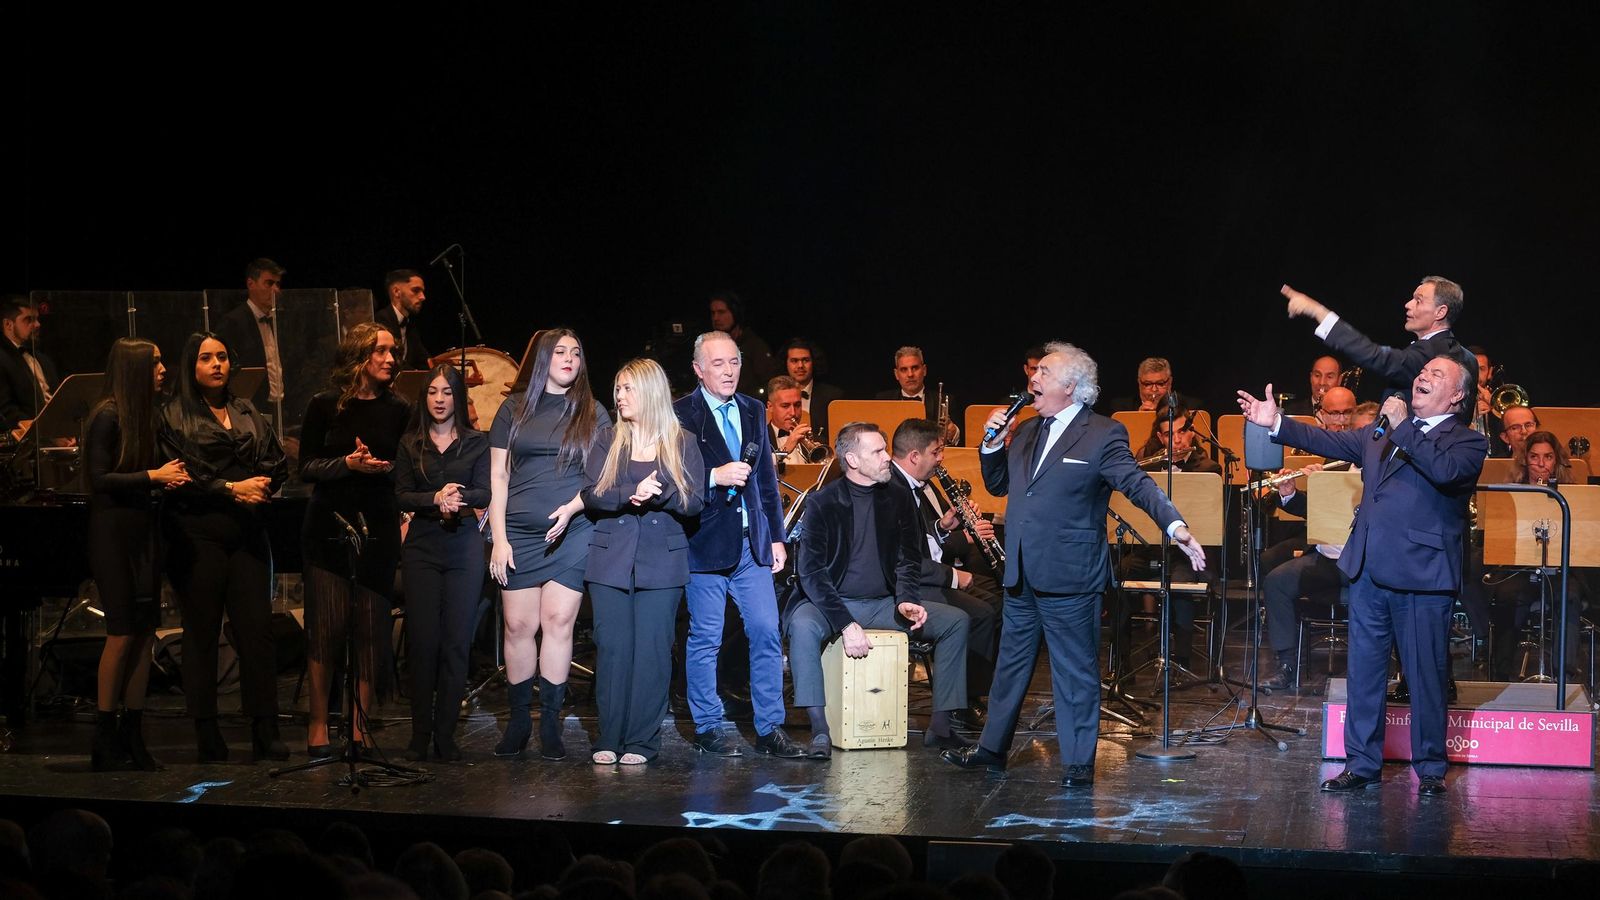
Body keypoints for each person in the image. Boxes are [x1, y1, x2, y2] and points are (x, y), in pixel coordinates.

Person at [945, 342, 1206, 787]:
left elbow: (1136, 484)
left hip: (1070, 573)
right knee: (1011, 666)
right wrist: (991, 443)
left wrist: (1175, 526)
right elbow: (999, 484)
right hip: (1023, 570)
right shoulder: (1026, 429)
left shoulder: (1103, 433)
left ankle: (1079, 763)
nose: (1034, 379)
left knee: (1074, 670)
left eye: (1044, 372)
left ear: (1072, 385)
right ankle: (992, 750)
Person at [1237, 353, 1486, 795]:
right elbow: (1330, 443)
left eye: (1437, 374)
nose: (1423, 376)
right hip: (1368, 572)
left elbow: (1445, 473)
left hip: (1423, 579)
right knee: (1365, 675)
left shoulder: (1466, 442)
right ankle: (1362, 763)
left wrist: (1403, 426)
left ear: (1458, 394)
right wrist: (1276, 424)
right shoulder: (1381, 432)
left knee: (1425, 676)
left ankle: (1430, 768)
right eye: (1423, 371)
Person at [790, 422, 972, 758]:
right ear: (854, 460)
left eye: (885, 449)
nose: (888, 457)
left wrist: (906, 601)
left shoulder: (898, 497)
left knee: (956, 621)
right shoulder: (823, 502)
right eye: (878, 451)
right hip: (832, 604)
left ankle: (942, 728)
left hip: (883, 603)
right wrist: (845, 623)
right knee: (801, 625)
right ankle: (819, 730)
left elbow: (907, 560)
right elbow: (811, 573)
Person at [158, 332, 289, 761]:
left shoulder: (246, 409)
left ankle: (264, 726)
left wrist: (263, 482)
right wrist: (232, 488)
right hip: (198, 533)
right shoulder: (173, 414)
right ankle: (206, 728)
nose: (217, 364)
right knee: (202, 633)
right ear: (190, 367)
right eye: (206, 358)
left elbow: (275, 457)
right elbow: (182, 474)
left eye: (222, 357)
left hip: (248, 531)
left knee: (258, 631)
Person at [673, 330, 804, 758]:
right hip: (705, 543)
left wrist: (777, 537)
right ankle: (708, 724)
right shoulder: (680, 415)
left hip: (752, 545)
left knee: (766, 632)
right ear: (698, 370)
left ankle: (770, 728)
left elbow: (765, 479)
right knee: (705, 637)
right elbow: (672, 478)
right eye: (718, 364)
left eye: (734, 362)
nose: (728, 372)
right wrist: (713, 477)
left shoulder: (750, 409)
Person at [487, 328, 608, 759]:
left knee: (558, 622)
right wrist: (498, 539)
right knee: (519, 626)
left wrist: (575, 507)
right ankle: (520, 721)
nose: (570, 358)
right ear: (543, 358)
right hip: (518, 532)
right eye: (560, 351)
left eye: (576, 352)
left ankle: (551, 725)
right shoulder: (513, 408)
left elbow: (603, 477)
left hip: (572, 532)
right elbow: (498, 476)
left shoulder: (593, 412)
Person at [582, 358, 706, 764]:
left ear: (650, 391)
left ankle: (641, 741)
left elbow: (694, 502)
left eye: (628, 388)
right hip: (610, 561)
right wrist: (630, 492)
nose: (619, 397)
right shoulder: (607, 439)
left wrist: (660, 495)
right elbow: (592, 494)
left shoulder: (682, 441)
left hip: (661, 563)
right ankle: (609, 737)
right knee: (613, 648)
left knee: (652, 651)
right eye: (617, 389)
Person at [298, 322, 410, 758]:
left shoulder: (400, 409)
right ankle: (319, 724)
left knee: (369, 631)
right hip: (330, 526)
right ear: (359, 356)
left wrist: (385, 472)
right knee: (326, 630)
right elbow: (306, 465)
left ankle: (361, 726)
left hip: (378, 528)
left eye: (392, 352)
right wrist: (347, 463)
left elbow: (405, 467)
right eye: (381, 351)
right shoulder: (324, 406)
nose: (390, 359)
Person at [84, 338, 189, 770]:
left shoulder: (148, 415)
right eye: (156, 362)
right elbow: (99, 477)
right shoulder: (108, 415)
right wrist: (153, 475)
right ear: (134, 369)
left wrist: (169, 478)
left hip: (145, 531)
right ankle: (104, 733)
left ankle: (133, 731)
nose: (163, 369)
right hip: (113, 534)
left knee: (146, 633)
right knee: (122, 631)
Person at [394, 364, 490, 761]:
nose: (439, 399)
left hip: (463, 546)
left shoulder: (476, 443)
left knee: (455, 643)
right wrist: (435, 498)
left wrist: (459, 497)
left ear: (457, 397)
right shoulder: (410, 444)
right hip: (423, 547)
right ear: (424, 397)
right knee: (423, 642)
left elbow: (486, 489)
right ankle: (420, 734)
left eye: (447, 392)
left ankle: (446, 735)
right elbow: (400, 494)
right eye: (433, 392)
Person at [886, 418, 1000, 722]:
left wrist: (942, 528)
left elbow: (920, 540)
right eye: (936, 452)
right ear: (914, 456)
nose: (941, 458)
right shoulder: (891, 489)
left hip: (925, 572)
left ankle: (983, 687)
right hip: (904, 586)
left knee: (999, 597)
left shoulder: (918, 485)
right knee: (982, 612)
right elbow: (902, 559)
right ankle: (963, 701)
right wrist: (952, 576)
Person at [1282, 276, 1470, 399]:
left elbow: (1377, 356)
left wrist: (1317, 311)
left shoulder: (1435, 353)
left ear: (1440, 312)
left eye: (1418, 300)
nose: (1407, 304)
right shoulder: (1461, 354)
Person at [214, 259, 287, 416]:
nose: (276, 290)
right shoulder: (233, 322)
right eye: (269, 283)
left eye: (278, 284)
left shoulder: (281, 322)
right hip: (249, 409)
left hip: (280, 407)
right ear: (251, 284)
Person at [874, 346, 960, 444]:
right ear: (896, 374)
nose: (910, 374)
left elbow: (959, 442)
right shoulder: (882, 400)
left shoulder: (945, 400)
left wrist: (953, 433)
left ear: (924, 370)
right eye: (904, 369)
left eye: (915, 368)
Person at [0, 295, 58, 439]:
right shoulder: (2, 359)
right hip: (29, 444)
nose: (37, 324)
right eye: (29, 319)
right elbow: (7, 412)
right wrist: (49, 434)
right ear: (8, 324)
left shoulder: (42, 359)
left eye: (37, 319)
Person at [708, 291, 775, 397]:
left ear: (735, 313)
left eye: (721, 312)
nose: (716, 318)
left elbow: (771, 385)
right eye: (713, 313)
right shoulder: (708, 347)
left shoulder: (755, 347)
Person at [782, 339, 843, 439]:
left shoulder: (833, 396)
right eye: (794, 361)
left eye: (805, 360)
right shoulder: (774, 395)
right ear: (786, 363)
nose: (800, 365)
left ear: (814, 362)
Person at [374, 270, 431, 371]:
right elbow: (394, 360)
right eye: (416, 290)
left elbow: (424, 360)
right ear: (396, 292)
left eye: (422, 291)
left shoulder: (411, 325)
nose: (423, 297)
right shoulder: (380, 320)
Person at [1108, 357, 1203, 414]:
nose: (1154, 389)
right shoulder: (1120, 409)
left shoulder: (1191, 407)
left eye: (1160, 383)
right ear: (1139, 383)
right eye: (1147, 384)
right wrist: (1138, 418)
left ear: (1170, 382)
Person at [766, 375, 820, 465]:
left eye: (797, 405)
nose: (793, 413)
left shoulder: (814, 439)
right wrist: (785, 449)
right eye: (785, 406)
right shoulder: (759, 438)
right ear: (770, 407)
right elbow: (760, 467)